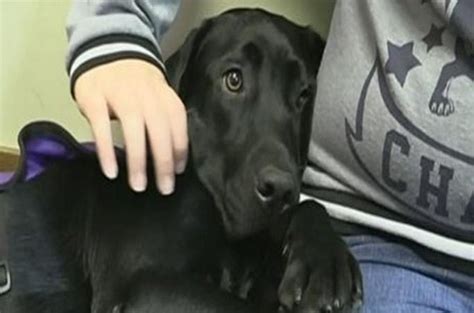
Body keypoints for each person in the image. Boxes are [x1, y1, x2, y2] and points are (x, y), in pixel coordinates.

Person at [66, 0, 474, 312]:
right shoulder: (177, 204)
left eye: (300, 97)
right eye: (233, 79)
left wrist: (309, 221)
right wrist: (114, 32)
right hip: (383, 238)